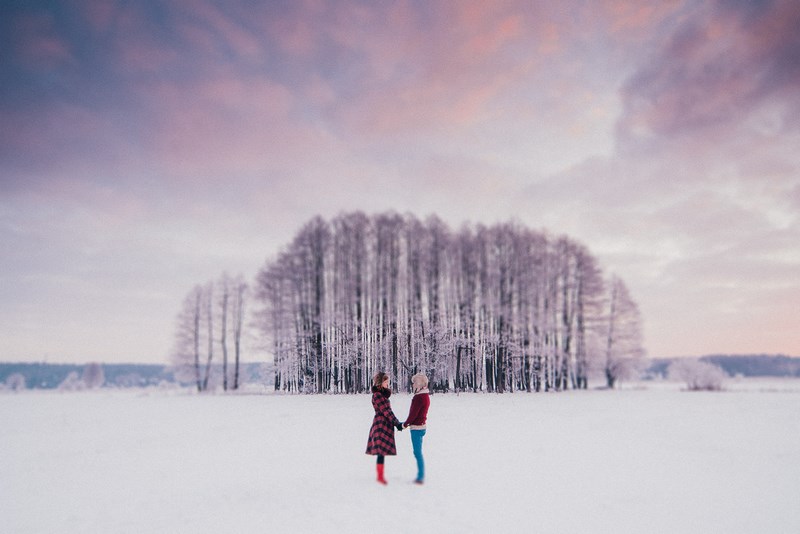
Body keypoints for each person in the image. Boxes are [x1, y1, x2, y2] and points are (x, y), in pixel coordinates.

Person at [365, 372, 403, 485]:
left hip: (385, 424)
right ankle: (380, 476)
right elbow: (386, 411)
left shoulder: (382, 395)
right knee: (380, 451)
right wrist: (397, 423)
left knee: (382, 452)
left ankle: (380, 476)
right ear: (380, 383)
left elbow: (387, 411)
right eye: (386, 382)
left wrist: (396, 423)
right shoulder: (377, 395)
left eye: (388, 382)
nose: (388, 384)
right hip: (381, 425)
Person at [403, 373, 430, 485]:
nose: (413, 384)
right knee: (418, 452)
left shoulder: (418, 398)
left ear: (419, 384)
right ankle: (421, 475)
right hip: (422, 426)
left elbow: (413, 414)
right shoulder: (426, 396)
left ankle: (420, 476)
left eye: (414, 382)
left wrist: (405, 424)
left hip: (416, 428)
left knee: (417, 452)